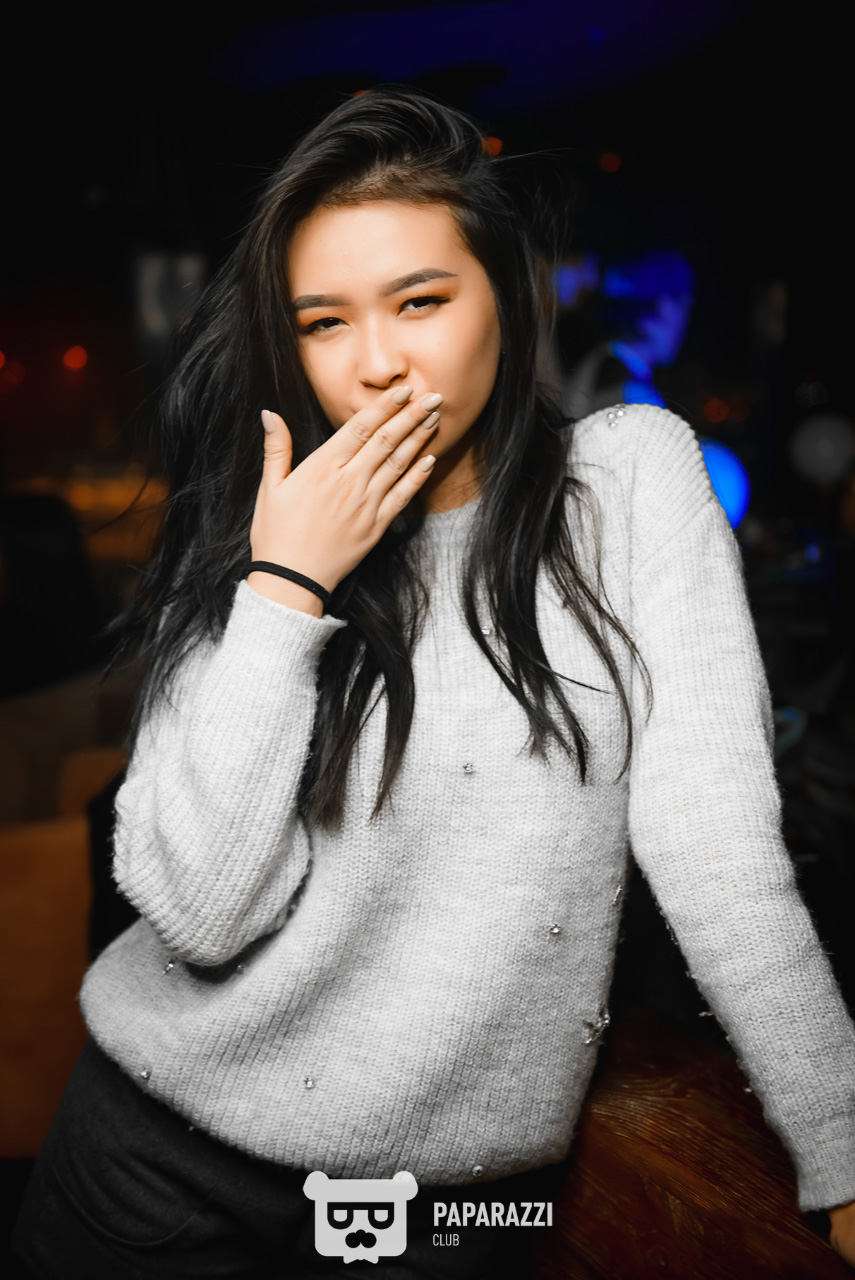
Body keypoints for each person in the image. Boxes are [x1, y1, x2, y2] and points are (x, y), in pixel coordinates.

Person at [12, 86, 855, 1278]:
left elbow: (716, 842)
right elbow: (199, 916)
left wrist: (841, 1138)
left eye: (421, 300)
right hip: (149, 1168)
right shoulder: (265, 524)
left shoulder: (629, 485)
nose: (376, 364)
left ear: (506, 294)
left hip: (439, 1211)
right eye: (324, 322)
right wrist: (286, 586)